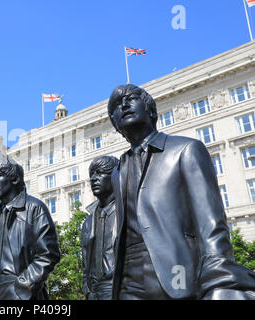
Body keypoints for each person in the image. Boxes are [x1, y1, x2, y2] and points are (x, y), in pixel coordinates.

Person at [107, 84, 255, 300]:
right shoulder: (117, 171)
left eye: (131, 98)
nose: (124, 105)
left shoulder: (186, 150)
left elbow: (211, 224)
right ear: (115, 125)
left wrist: (218, 276)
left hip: (176, 272)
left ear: (150, 109)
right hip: (127, 282)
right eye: (116, 106)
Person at [0, 159, 60, 300]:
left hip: (20, 291)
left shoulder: (34, 208)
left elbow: (49, 254)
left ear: (14, 178)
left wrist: (24, 285)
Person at [81, 155, 119, 300]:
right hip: (94, 292)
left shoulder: (127, 212)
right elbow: (85, 263)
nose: (93, 178)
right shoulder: (88, 222)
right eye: (92, 174)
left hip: (119, 288)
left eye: (100, 172)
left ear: (115, 176)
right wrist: (87, 289)